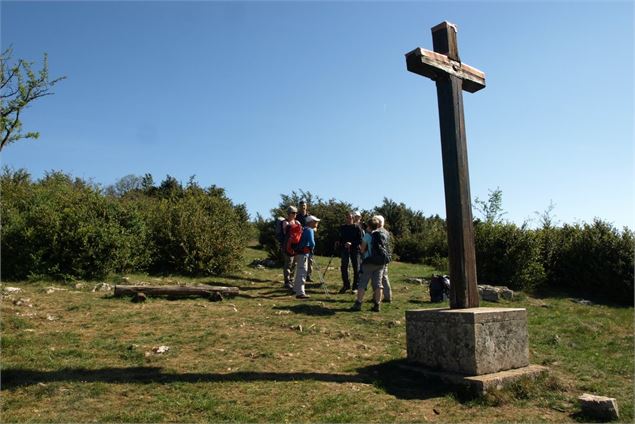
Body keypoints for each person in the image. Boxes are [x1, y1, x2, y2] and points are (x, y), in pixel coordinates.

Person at [352, 216, 385, 312]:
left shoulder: (367, 235)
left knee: (362, 282)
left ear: (369, 226)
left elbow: (362, 250)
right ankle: (377, 305)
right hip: (380, 262)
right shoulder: (382, 234)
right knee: (378, 284)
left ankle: (358, 303)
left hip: (369, 261)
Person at [336, 211, 363, 294]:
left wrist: (351, 243)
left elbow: (360, 240)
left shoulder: (357, 227)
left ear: (353, 218)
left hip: (355, 249)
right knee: (344, 267)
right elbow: (340, 237)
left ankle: (355, 287)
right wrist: (338, 241)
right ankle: (346, 285)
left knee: (356, 268)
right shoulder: (342, 227)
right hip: (344, 249)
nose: (349, 219)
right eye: (347, 217)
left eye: (350, 218)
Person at [293, 215, 320, 299]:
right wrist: (312, 248)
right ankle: (300, 293)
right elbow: (312, 242)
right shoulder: (310, 230)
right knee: (302, 272)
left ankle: (296, 289)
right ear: (310, 222)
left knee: (299, 271)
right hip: (304, 253)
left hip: (299, 253)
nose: (316, 223)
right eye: (315, 221)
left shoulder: (304, 229)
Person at [374, 215, 392, 303]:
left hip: (379, 257)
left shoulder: (377, 232)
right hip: (386, 257)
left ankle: (381, 297)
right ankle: (387, 296)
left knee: (379, 277)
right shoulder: (387, 232)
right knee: (384, 276)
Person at [281, 206, 299, 290]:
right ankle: (287, 281)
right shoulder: (285, 222)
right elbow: (286, 233)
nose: (295, 214)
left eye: (296, 213)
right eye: (293, 213)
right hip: (287, 246)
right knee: (288, 263)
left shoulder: (297, 222)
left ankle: (291, 279)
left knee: (294, 264)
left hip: (295, 247)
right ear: (289, 213)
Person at [296, 199, 314, 282]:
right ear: (299, 207)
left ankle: (308, 276)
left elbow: (314, 226)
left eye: (304, 205)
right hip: (299, 240)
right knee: (298, 259)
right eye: (301, 206)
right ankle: (293, 277)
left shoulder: (309, 216)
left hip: (309, 239)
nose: (303, 207)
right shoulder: (297, 217)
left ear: (306, 206)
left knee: (310, 258)